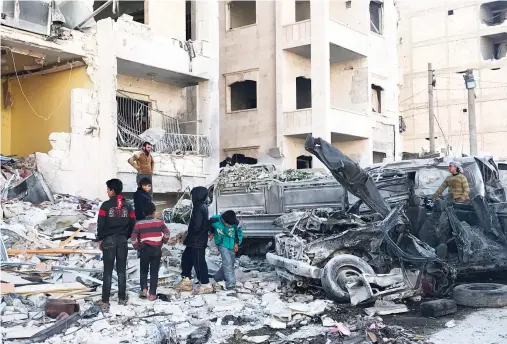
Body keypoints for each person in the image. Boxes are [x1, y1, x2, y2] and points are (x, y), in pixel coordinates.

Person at [96, 179, 136, 309]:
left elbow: (101, 224)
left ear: (112, 191)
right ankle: (122, 298)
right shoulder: (128, 205)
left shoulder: (105, 206)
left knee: (107, 271)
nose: (107, 192)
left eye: (108, 189)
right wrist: (126, 235)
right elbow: (132, 223)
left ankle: (105, 300)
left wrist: (100, 239)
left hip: (108, 240)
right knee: (121, 270)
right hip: (122, 240)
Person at [174, 186, 213, 294]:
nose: (191, 197)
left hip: (197, 241)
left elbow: (197, 226)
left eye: (192, 195)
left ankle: (205, 284)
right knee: (186, 258)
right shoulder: (200, 206)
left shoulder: (199, 207)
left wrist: (186, 235)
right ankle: (186, 281)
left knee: (199, 262)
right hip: (195, 241)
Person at [131, 202, 170, 301]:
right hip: (157, 250)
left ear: (143, 213)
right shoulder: (160, 222)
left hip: (144, 249)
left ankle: (144, 290)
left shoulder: (139, 224)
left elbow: (133, 238)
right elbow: (167, 234)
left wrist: (137, 247)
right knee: (154, 272)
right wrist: (162, 242)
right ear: (154, 212)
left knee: (143, 271)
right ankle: (152, 294)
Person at [209, 210, 243, 290]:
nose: (229, 226)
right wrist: (211, 233)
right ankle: (231, 284)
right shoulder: (214, 219)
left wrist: (237, 243)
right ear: (223, 220)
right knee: (227, 262)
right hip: (221, 243)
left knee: (230, 262)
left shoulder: (235, 223)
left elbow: (239, 233)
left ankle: (218, 277)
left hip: (231, 244)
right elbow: (209, 226)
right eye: (227, 224)